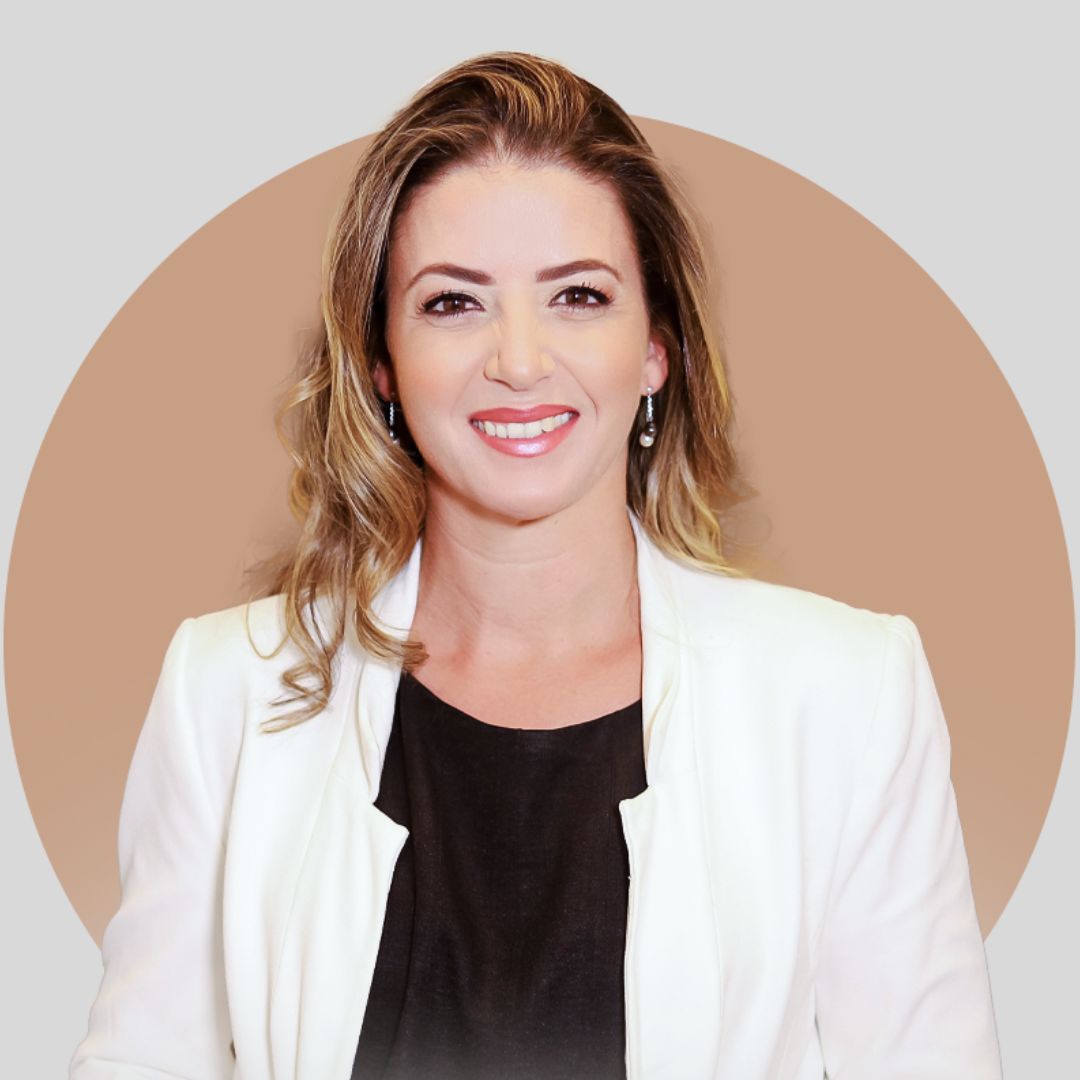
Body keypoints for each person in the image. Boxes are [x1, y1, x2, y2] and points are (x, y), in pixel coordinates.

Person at [70, 50, 1003, 1080]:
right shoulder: (225, 693)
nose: (518, 361)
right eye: (452, 303)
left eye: (579, 296)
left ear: (657, 350)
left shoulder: (849, 697)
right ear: (381, 364)